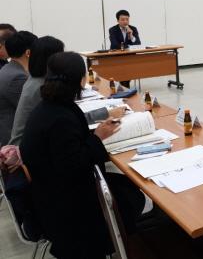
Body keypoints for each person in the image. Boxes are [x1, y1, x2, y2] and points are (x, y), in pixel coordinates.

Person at [20, 52, 145, 259]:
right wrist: (97, 138)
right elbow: (74, 165)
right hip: (68, 208)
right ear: (81, 80)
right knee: (131, 195)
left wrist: (95, 137)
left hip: (51, 191)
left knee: (127, 184)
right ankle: (130, 243)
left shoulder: (50, 107)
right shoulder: (60, 117)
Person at [10, 36, 125, 146]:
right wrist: (107, 113)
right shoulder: (41, 87)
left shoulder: (39, 80)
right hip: (29, 146)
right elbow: (67, 120)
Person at [0, 31, 37, 147]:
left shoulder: (8, 69)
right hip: (15, 141)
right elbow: (33, 109)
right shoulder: (17, 77)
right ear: (28, 53)